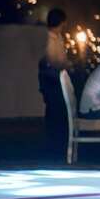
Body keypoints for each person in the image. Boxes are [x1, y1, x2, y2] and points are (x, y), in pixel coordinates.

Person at [38, 8, 69, 156]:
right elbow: (52, 60)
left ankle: (57, 142)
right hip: (51, 79)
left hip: (57, 78)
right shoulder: (48, 38)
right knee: (53, 110)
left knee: (58, 111)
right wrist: (64, 65)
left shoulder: (58, 37)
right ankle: (52, 144)